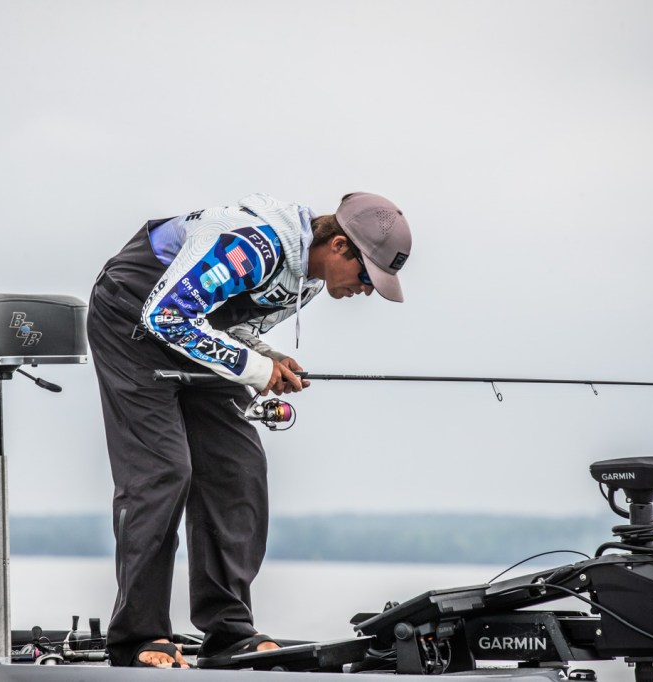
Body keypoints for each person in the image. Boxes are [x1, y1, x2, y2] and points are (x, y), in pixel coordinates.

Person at [87, 192, 412, 668]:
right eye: (367, 276)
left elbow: (220, 318)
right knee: (163, 474)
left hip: (186, 330)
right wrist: (256, 370)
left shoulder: (308, 281)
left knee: (237, 470)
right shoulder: (253, 247)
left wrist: (266, 355)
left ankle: (228, 632)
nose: (367, 290)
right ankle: (138, 637)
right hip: (131, 321)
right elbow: (168, 314)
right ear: (339, 246)